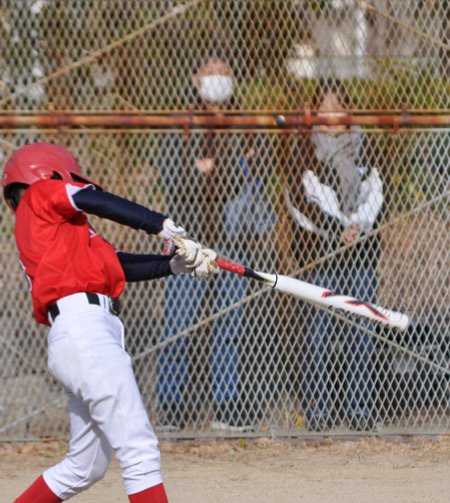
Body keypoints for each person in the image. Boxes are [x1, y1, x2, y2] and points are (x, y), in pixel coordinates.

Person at [0, 142, 235, 503]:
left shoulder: (62, 232)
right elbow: (94, 199)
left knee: (86, 464)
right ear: (51, 174)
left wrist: (174, 264)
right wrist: (160, 223)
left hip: (81, 334)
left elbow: (117, 264)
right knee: (139, 447)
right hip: (85, 332)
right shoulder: (42, 196)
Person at [155, 54, 274, 433]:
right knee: (178, 323)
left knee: (229, 325)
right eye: (211, 72)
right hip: (190, 237)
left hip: (233, 237)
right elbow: (175, 180)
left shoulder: (246, 124)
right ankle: (170, 402)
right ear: (196, 79)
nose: (218, 78)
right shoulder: (182, 124)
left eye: (225, 72)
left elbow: (259, 171)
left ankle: (227, 401)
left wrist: (210, 169)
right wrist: (226, 168)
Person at [284, 82, 385, 432]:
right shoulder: (305, 148)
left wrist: (359, 226)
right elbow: (301, 200)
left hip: (361, 252)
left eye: (338, 106)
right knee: (318, 333)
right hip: (321, 252)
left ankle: (359, 406)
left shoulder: (365, 145)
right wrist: (336, 228)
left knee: (361, 329)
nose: (331, 114)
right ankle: (317, 408)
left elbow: (378, 191)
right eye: (324, 107)